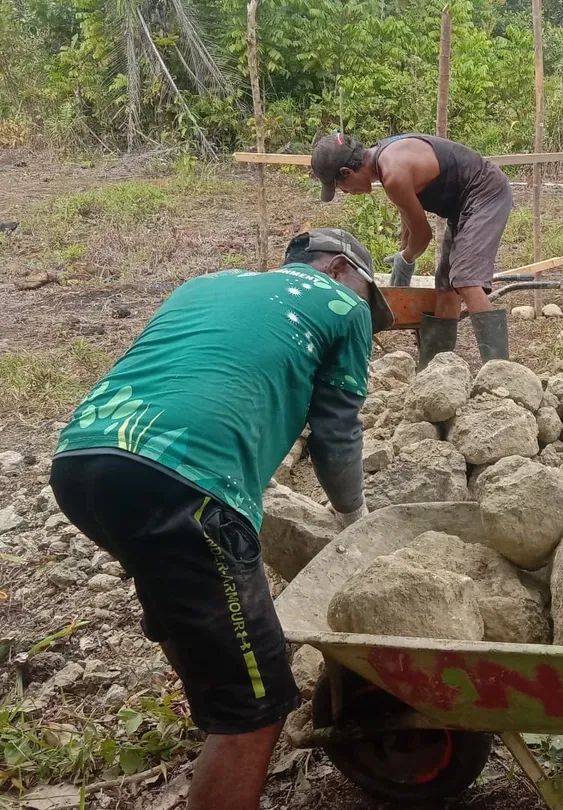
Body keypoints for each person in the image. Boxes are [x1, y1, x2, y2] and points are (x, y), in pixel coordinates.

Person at [49, 228, 392, 810]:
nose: (367, 308)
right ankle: (230, 719)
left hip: (83, 463)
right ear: (337, 268)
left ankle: (211, 702)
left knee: (174, 578)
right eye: (367, 291)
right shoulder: (341, 305)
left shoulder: (205, 283)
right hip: (188, 483)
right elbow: (337, 432)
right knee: (259, 707)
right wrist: (354, 515)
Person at [311, 131, 513, 368]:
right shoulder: (382, 158)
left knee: (466, 280)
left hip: (485, 193)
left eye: (341, 187)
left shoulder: (394, 174)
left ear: (347, 172)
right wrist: (403, 248)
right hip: (462, 205)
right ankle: (434, 369)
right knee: (446, 286)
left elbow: (423, 235)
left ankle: (501, 371)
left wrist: (405, 259)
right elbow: (408, 217)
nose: (346, 193)